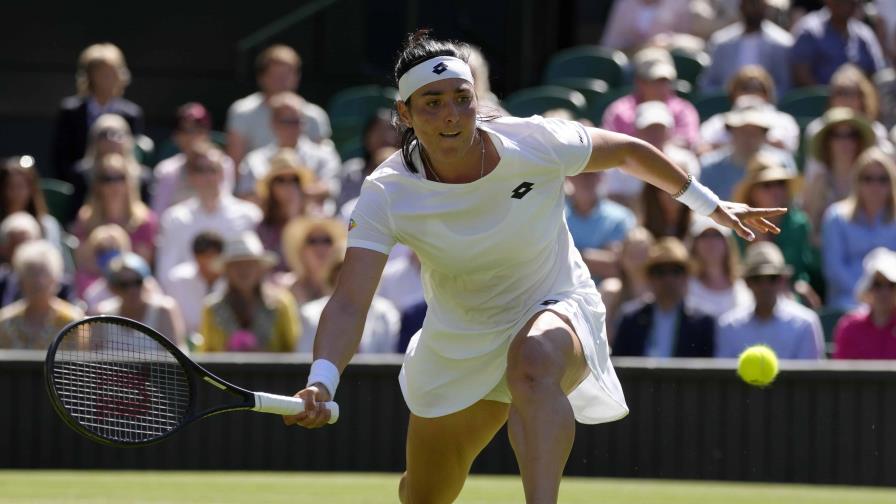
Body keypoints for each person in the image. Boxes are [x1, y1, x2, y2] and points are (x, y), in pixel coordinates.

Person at [281, 32, 784, 504]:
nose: (452, 114)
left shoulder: (535, 141)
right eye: (432, 104)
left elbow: (629, 152)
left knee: (535, 360)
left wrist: (712, 205)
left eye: (461, 97)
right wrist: (323, 380)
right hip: (460, 340)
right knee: (424, 494)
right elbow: (350, 300)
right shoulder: (386, 192)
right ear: (405, 114)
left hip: (555, 300)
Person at [154, 143, 262, 275]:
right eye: (200, 170)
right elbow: (166, 272)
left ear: (222, 173)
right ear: (191, 177)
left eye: (213, 169)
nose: (208, 177)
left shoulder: (249, 215)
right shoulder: (174, 218)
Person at [732, 153, 820, 305]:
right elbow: (736, 271)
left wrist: (799, 285)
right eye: (767, 185)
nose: (776, 190)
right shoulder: (738, 225)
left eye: (780, 183)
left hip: (790, 293)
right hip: (746, 294)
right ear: (752, 193)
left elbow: (799, 271)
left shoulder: (799, 224)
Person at [50, 43, 143, 184]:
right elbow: (61, 158)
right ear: (89, 76)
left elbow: (133, 158)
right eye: (101, 73)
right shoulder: (70, 111)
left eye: (112, 72)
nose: (108, 78)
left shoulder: (131, 114)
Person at [716, 241, 825, 359]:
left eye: (773, 278)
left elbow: (810, 374)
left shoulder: (806, 323)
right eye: (757, 279)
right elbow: (723, 375)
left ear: (783, 280)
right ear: (747, 282)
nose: (765, 286)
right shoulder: (728, 326)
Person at [226, 44, 331, 165]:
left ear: (297, 77)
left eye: (287, 75)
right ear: (261, 78)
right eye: (276, 75)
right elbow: (235, 164)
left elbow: (323, 162)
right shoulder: (242, 111)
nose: (282, 81)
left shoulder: (315, 115)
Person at [613, 237, 716, 357]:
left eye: (676, 271)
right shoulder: (630, 319)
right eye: (660, 271)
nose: (668, 279)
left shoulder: (703, 323)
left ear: (686, 277)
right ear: (649, 277)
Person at [198, 231, 300, 352]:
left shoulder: (282, 303)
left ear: (260, 268)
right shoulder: (212, 308)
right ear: (226, 270)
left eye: (249, 264)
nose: (243, 270)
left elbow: (293, 349)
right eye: (236, 265)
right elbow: (205, 354)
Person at [821, 147, 896, 311]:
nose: (875, 185)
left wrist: (884, 296)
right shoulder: (836, 217)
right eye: (868, 179)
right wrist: (865, 294)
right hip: (846, 303)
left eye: (882, 179)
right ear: (857, 182)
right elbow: (834, 269)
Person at [235, 92, 340, 207]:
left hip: (312, 222)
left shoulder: (324, 156)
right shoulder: (254, 159)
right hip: (268, 223)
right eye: (286, 121)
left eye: (297, 121)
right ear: (273, 123)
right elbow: (245, 197)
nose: (292, 127)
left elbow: (331, 188)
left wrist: (278, 194)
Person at [603, 100, 700, 210]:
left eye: (659, 128)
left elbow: (691, 202)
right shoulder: (618, 165)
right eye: (648, 128)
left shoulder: (686, 161)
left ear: (669, 131)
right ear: (637, 131)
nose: (654, 134)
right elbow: (612, 200)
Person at [601, 47, 701, 150]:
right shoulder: (618, 110)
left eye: (665, 80)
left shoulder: (684, 110)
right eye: (655, 81)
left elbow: (689, 143)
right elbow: (609, 146)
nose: (662, 87)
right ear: (639, 81)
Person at [698, 98, 796, 200]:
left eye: (755, 132)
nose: (748, 138)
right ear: (732, 132)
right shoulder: (709, 167)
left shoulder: (783, 163)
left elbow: (791, 205)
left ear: (764, 135)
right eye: (743, 131)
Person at [70, 152, 157, 266]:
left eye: (120, 178)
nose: (113, 185)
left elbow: (143, 266)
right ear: (97, 185)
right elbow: (81, 263)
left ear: (129, 183)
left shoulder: (145, 221)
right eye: (107, 179)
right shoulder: (85, 218)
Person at [802, 107, 877, 236]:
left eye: (851, 135)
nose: (845, 142)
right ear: (827, 142)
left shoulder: (872, 178)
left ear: (858, 141)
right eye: (837, 136)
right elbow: (811, 230)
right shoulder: (819, 181)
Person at [299, 259, 401, 354]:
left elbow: (391, 356)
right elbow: (304, 359)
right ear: (332, 275)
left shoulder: (386, 312)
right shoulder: (309, 314)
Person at [151, 103, 236, 215]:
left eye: (198, 129)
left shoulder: (224, 164)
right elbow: (159, 213)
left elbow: (225, 205)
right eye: (185, 130)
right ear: (176, 136)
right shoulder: (166, 169)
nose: (192, 136)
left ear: (207, 133)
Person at [68, 113, 151, 225]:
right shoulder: (81, 174)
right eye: (104, 134)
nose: (111, 139)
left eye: (118, 134)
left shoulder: (143, 177)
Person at [0, 240, 84, 349]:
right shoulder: (5, 321)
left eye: (44, 272)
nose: (38, 281)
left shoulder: (73, 321)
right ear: (20, 279)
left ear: (56, 278)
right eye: (31, 273)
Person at [699, 0, 794, 94]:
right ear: (741, 6)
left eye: (757, 4)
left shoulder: (782, 44)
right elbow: (708, 84)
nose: (753, 9)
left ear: (766, 7)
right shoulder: (721, 42)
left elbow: (784, 86)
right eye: (749, 4)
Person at [699, 67, 801, 154]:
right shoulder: (717, 121)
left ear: (767, 94)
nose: (751, 92)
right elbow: (702, 150)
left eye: (758, 88)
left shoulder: (784, 120)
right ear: (733, 93)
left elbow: (787, 152)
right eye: (745, 88)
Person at [96, 252, 186, 348]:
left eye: (137, 282)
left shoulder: (163, 311)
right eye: (124, 285)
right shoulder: (102, 316)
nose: (132, 290)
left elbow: (176, 355)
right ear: (113, 288)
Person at [790, 0, 887, 86]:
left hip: (860, 102)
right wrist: (834, 99)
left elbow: (878, 74)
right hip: (818, 103)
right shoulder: (809, 31)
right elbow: (801, 75)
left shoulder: (864, 34)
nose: (847, 3)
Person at [564, 170, 636, 280]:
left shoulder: (621, 216)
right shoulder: (555, 214)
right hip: (560, 289)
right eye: (581, 174)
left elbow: (615, 265)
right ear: (568, 177)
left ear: (601, 176)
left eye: (593, 173)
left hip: (604, 291)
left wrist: (568, 255)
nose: (587, 179)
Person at [255, 149, 315, 270]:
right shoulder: (263, 228)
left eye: (294, 179)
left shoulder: (317, 221)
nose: (289, 186)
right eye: (281, 180)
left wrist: (294, 216)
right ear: (271, 188)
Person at [833, 247, 896, 359]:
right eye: (877, 284)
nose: (884, 292)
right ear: (869, 287)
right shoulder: (849, 327)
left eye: (891, 285)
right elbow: (842, 374)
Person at [685, 215, 753, 318]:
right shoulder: (685, 287)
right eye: (704, 236)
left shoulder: (744, 288)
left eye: (717, 235)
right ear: (694, 244)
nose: (710, 242)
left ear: (727, 243)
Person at [162, 231, 225, 341]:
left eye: (212, 255)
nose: (208, 261)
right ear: (195, 257)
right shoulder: (176, 280)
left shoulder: (232, 280)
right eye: (204, 256)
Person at [598, 226, 655, 345]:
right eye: (632, 252)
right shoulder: (609, 290)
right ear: (622, 256)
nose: (637, 257)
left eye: (642, 251)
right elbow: (600, 335)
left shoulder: (660, 293)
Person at [336, 109, 401, 209]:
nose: (385, 137)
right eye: (379, 130)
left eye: (392, 130)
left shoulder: (412, 174)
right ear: (367, 136)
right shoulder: (351, 172)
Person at [1, 155, 64, 254]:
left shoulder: (48, 225)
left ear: (31, 189)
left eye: (20, 186)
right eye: (10, 186)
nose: (15, 192)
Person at [278, 216, 347, 306]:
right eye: (312, 241)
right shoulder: (286, 289)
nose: (320, 247)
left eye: (327, 241)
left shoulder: (345, 288)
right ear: (301, 250)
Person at [600, 0, 693, 54]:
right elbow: (610, 42)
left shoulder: (681, 3)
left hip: (666, 60)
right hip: (628, 60)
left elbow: (691, 40)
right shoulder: (624, 3)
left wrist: (668, 41)